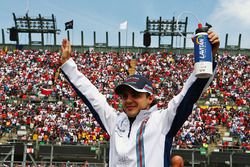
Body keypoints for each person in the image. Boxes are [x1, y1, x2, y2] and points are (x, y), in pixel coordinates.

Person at [59, 30, 220, 167]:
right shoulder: (115, 121)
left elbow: (188, 95)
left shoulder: (163, 121)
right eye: (124, 96)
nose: (128, 100)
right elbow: (92, 97)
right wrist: (68, 65)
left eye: (136, 95)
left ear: (150, 98)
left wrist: (207, 59)